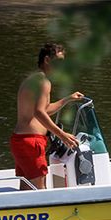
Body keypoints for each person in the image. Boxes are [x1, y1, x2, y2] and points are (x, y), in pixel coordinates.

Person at [11, 43, 83, 190]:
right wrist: (62, 135)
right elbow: (39, 112)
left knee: (27, 189)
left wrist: (67, 98)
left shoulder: (34, 79)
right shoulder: (44, 82)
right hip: (32, 143)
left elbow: (44, 110)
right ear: (47, 60)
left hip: (20, 141)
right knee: (39, 190)